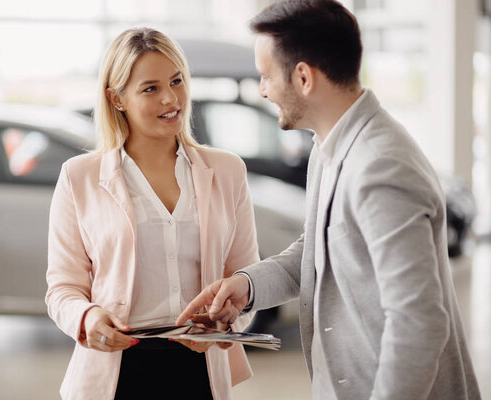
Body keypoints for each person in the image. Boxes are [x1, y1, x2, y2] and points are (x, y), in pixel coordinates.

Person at [177, 1, 481, 399]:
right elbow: (317, 252)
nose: (263, 90)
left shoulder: (380, 167)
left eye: (266, 76)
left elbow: (418, 324)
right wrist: (246, 286)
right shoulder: (330, 144)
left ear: (303, 77)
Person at [45, 27, 259, 400]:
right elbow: (63, 288)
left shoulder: (227, 171)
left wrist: (228, 318)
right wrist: (88, 317)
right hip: (117, 371)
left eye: (177, 81)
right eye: (150, 88)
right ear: (117, 99)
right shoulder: (79, 177)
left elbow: (245, 276)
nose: (171, 98)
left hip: (201, 368)